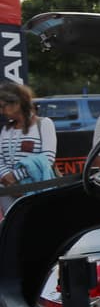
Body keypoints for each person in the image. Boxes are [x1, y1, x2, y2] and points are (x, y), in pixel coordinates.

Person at [0, 83, 56, 214]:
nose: (1, 111)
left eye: (3, 106)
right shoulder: (6, 129)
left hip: (35, 188)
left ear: (17, 103)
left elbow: (48, 158)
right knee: (11, 224)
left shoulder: (44, 124)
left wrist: (15, 177)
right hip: (7, 191)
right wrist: (7, 178)